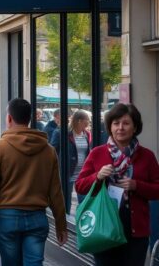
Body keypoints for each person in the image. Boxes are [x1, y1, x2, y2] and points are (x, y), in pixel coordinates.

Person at [0, 98, 67, 266]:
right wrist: (61, 224)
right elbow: (55, 191)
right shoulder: (48, 150)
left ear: (9, 119)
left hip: (7, 216)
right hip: (37, 216)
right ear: (29, 119)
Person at [75, 103, 159, 266]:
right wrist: (97, 176)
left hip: (135, 229)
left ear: (135, 127)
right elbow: (79, 186)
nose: (120, 128)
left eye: (126, 123)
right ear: (110, 127)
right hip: (103, 224)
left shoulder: (146, 156)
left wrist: (136, 185)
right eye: (116, 123)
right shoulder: (97, 153)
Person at [52, 110, 91, 213]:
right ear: (79, 121)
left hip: (82, 173)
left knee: (84, 202)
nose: (88, 123)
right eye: (86, 121)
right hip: (67, 172)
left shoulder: (86, 134)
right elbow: (52, 151)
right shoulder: (62, 133)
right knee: (66, 202)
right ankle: (65, 224)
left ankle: (83, 224)